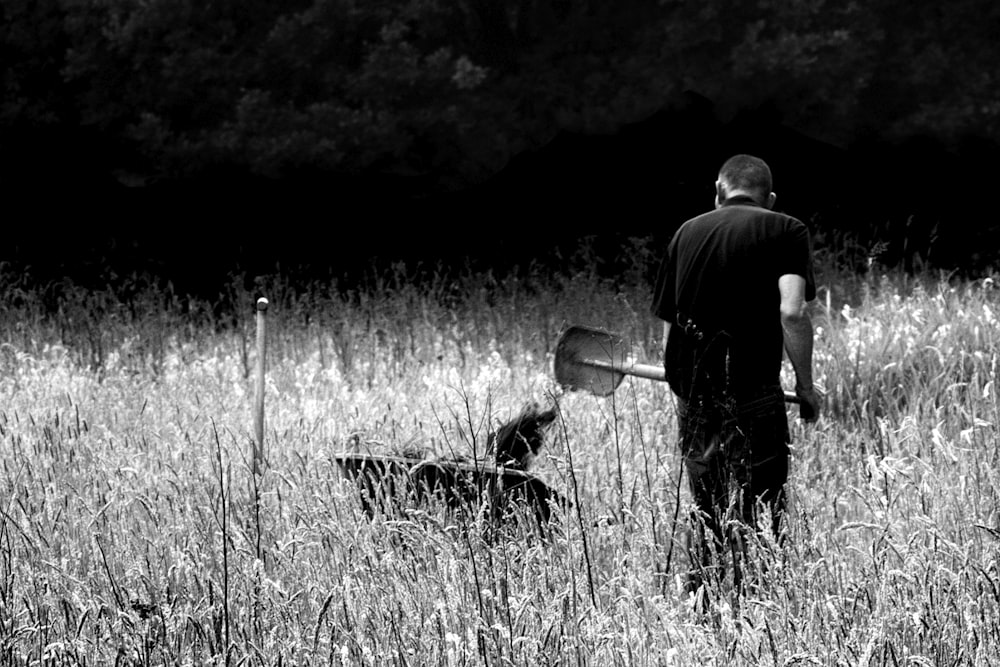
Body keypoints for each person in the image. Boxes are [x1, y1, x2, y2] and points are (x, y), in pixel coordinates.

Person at [649, 154, 820, 597]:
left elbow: (669, 319)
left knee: (709, 508)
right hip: (754, 392)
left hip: (693, 394)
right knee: (763, 509)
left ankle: (702, 610)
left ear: (718, 192)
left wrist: (680, 386)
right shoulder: (785, 228)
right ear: (771, 198)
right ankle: (760, 610)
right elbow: (792, 311)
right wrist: (804, 386)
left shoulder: (686, 232)